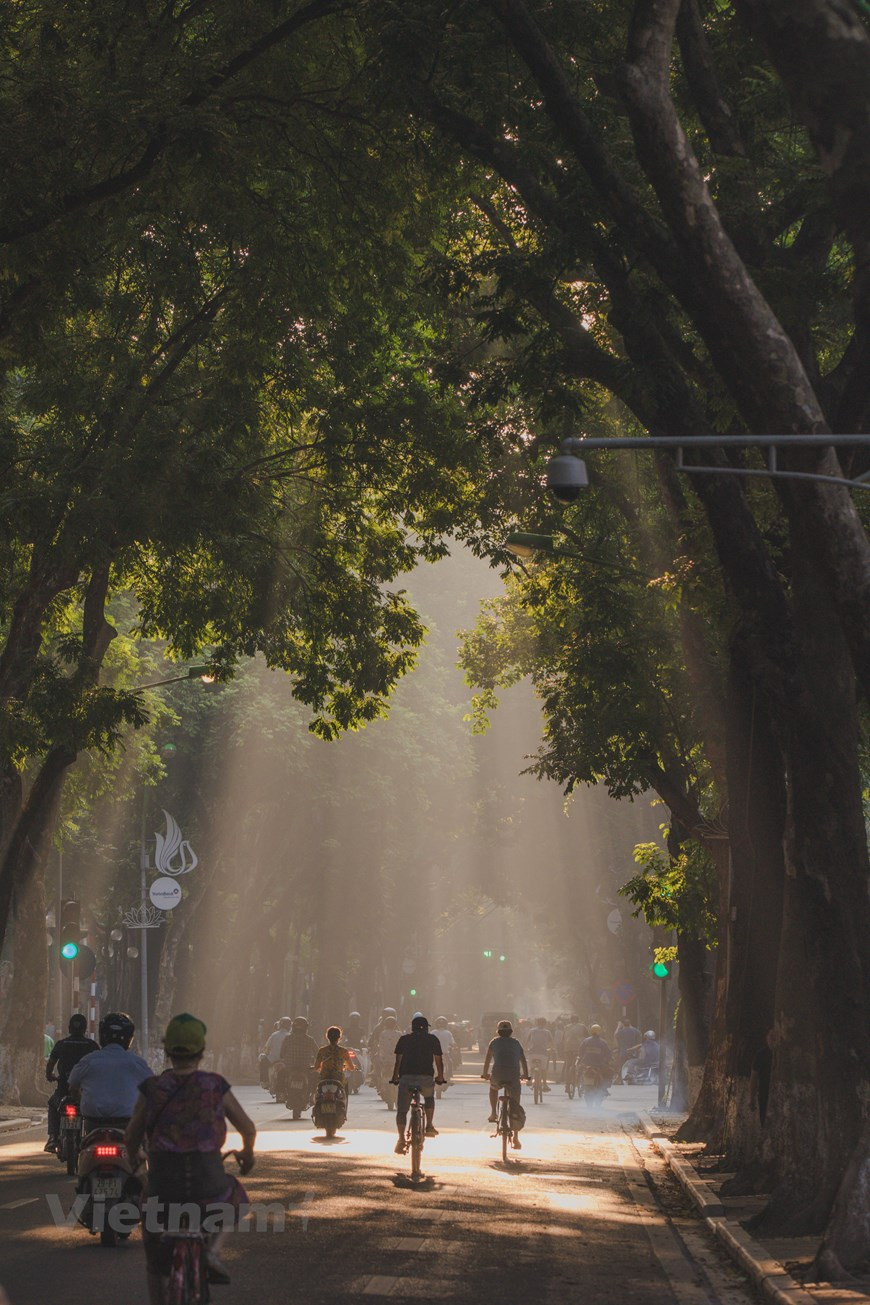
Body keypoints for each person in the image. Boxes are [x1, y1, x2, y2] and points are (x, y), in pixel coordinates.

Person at [125, 1013, 256, 1301]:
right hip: (208, 1181)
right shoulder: (215, 1085)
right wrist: (247, 1154)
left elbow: (132, 1137)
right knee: (236, 1196)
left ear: (168, 1051)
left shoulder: (152, 1088)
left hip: (162, 1184)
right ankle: (211, 1252)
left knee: (150, 1227)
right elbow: (247, 1128)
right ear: (201, 1052)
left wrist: (136, 1160)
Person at [68, 1012, 150, 1132]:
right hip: (127, 1124)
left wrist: (81, 1100)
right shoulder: (137, 1063)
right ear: (129, 1038)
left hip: (93, 1122)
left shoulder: (89, 1060)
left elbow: (73, 1086)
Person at [390, 1013, 445, 1153]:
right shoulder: (433, 1039)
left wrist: (395, 1077)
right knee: (428, 1098)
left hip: (406, 1078)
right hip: (425, 1078)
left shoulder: (404, 1039)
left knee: (402, 1110)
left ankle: (401, 1138)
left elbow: (398, 1061)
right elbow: (438, 1061)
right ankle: (429, 1126)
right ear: (426, 1028)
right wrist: (440, 1077)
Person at [44, 1013, 99, 1152]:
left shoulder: (61, 1044)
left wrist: (50, 1075)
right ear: (85, 1029)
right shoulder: (92, 1046)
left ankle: (53, 1137)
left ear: (69, 1028)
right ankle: (93, 1137)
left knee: (53, 1104)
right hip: (85, 1093)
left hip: (63, 1090)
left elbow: (50, 1064)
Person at [482, 1019, 529, 1150]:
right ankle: (516, 1138)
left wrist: (485, 1073)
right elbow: (523, 1060)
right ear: (511, 1032)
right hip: (513, 1076)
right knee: (515, 1102)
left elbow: (487, 1059)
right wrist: (525, 1075)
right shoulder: (516, 1043)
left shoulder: (494, 1042)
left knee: (493, 1088)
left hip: (497, 1074)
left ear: (498, 1032)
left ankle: (493, 1113)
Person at [278, 1016, 319, 1096]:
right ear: (306, 1028)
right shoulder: (309, 1039)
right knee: (316, 1075)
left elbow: (282, 1053)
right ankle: (313, 1095)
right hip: (305, 1067)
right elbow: (317, 1053)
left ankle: (281, 1093)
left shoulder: (288, 1038)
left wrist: (284, 1058)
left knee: (280, 1074)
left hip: (290, 1067)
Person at [749, 1028, 777, 1128]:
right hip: (764, 1094)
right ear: (767, 1038)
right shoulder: (761, 1055)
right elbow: (754, 1077)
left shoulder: (781, 1054)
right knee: (764, 1122)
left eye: (775, 1038)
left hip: (778, 1095)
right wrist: (751, 1098)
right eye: (771, 1037)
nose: (773, 1040)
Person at [577, 1023, 613, 1094]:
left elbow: (580, 1051)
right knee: (609, 1072)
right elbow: (608, 1054)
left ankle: (582, 1085)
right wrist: (606, 1061)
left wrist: (581, 1059)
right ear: (600, 1031)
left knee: (580, 1072)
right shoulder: (603, 1042)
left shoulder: (585, 1041)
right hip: (599, 1065)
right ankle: (604, 1088)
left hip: (586, 1064)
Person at [525, 1017, 554, 1091]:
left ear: (536, 1023)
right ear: (545, 1024)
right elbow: (551, 1043)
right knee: (544, 1070)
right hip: (543, 1053)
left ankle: (530, 1080)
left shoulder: (531, 1031)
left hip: (532, 1052)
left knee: (531, 1068)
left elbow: (527, 1041)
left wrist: (526, 1049)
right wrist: (550, 1050)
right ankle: (544, 1085)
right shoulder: (547, 1032)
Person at [431, 1016, 458, 1080]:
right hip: (441, 1054)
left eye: (442, 1023)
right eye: (440, 1023)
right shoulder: (446, 1033)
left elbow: (453, 1043)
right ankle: (449, 1076)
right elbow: (453, 1043)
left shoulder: (434, 1032)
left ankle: (448, 1076)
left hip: (441, 1054)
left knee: (450, 1062)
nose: (441, 1025)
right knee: (450, 1062)